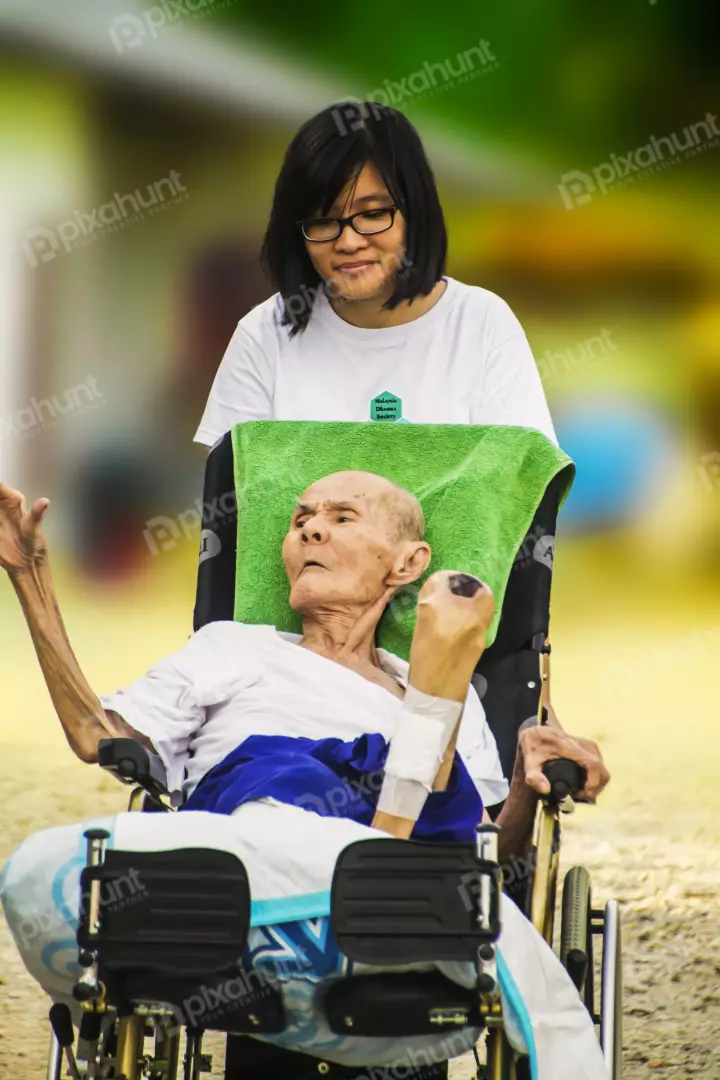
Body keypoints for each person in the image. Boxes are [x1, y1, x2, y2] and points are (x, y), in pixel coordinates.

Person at [0, 475, 607, 858]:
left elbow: (487, 854)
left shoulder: (456, 700)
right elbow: (92, 736)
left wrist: (530, 783)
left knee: (429, 787)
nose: (312, 528)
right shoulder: (233, 646)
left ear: (407, 563)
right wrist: (30, 578)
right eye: (300, 521)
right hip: (256, 813)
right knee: (287, 766)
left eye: (342, 518)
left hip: (419, 843)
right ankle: (371, 853)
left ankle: (382, 834)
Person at [194, 102, 556, 447]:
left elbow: (522, 487)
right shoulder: (264, 335)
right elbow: (235, 495)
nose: (349, 242)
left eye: (372, 214)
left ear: (415, 212)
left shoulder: (482, 324)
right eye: (323, 220)